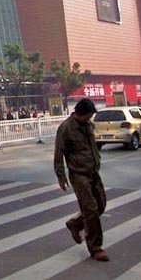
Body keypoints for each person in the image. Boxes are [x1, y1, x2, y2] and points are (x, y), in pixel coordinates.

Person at [54, 98, 109, 262]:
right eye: (89, 115)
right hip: (78, 174)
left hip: (93, 172)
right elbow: (58, 153)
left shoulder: (88, 125)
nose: (91, 118)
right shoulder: (66, 128)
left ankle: (76, 224)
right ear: (81, 113)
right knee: (91, 210)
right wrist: (61, 176)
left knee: (100, 205)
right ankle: (96, 248)